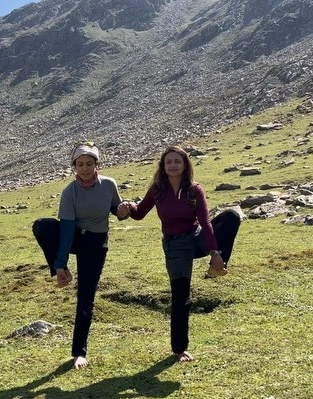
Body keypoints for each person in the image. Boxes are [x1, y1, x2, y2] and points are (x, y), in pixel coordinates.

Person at [119, 145, 241, 362]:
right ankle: (179, 349)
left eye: (177, 161)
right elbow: (139, 214)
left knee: (231, 217)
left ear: (185, 165)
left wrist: (215, 252)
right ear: (163, 166)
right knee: (180, 296)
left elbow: (205, 221)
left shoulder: (195, 190)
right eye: (169, 162)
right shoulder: (157, 189)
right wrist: (128, 205)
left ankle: (217, 266)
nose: (173, 166)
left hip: (196, 238)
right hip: (175, 247)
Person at [32, 141, 129, 370]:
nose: (84, 169)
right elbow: (65, 230)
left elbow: (117, 209)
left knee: (86, 296)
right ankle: (62, 273)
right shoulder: (70, 192)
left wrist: (124, 211)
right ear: (73, 166)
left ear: (97, 164)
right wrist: (60, 264)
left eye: (89, 164)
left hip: (96, 243)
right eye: (80, 164)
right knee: (42, 226)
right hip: (75, 236)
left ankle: (79, 353)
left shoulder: (109, 184)